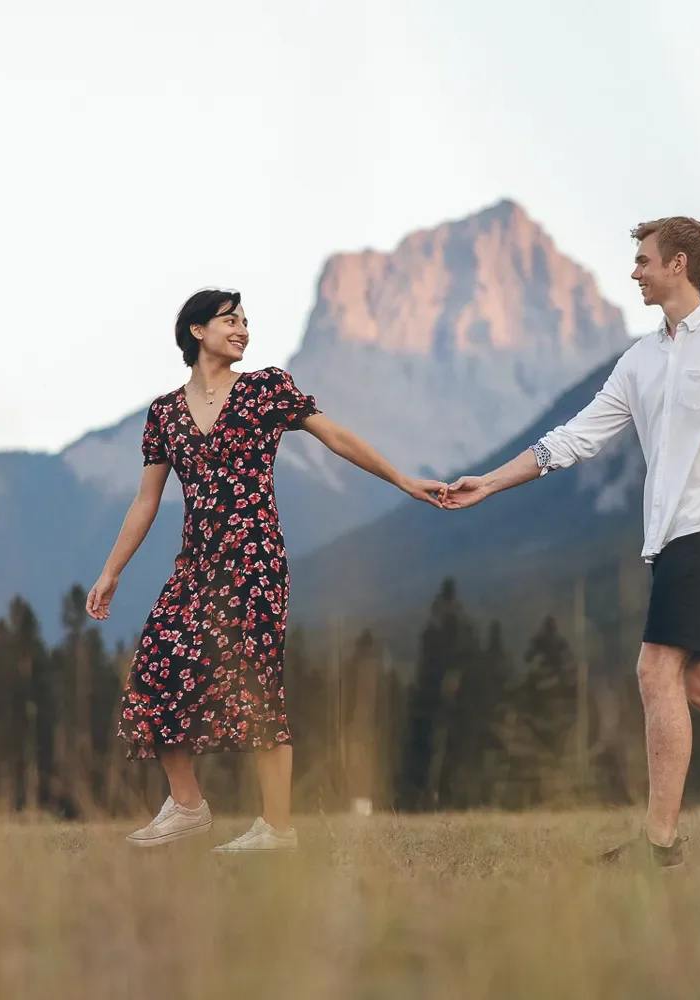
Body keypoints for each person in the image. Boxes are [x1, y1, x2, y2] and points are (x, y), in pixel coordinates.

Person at [441, 217, 700, 867]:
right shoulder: (639, 360)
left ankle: (658, 845)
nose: (634, 272)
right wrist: (488, 483)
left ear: (679, 264)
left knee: (655, 669)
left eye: (644, 261)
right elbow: (573, 438)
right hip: (669, 542)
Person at [87, 288, 445, 851]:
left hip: (255, 559)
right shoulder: (164, 413)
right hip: (196, 563)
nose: (243, 330)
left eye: (246, 322)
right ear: (197, 331)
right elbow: (146, 499)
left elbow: (336, 437)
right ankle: (187, 806)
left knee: (255, 684)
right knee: (155, 666)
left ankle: (277, 829)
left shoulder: (266, 389)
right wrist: (111, 572)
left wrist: (402, 480)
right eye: (230, 320)